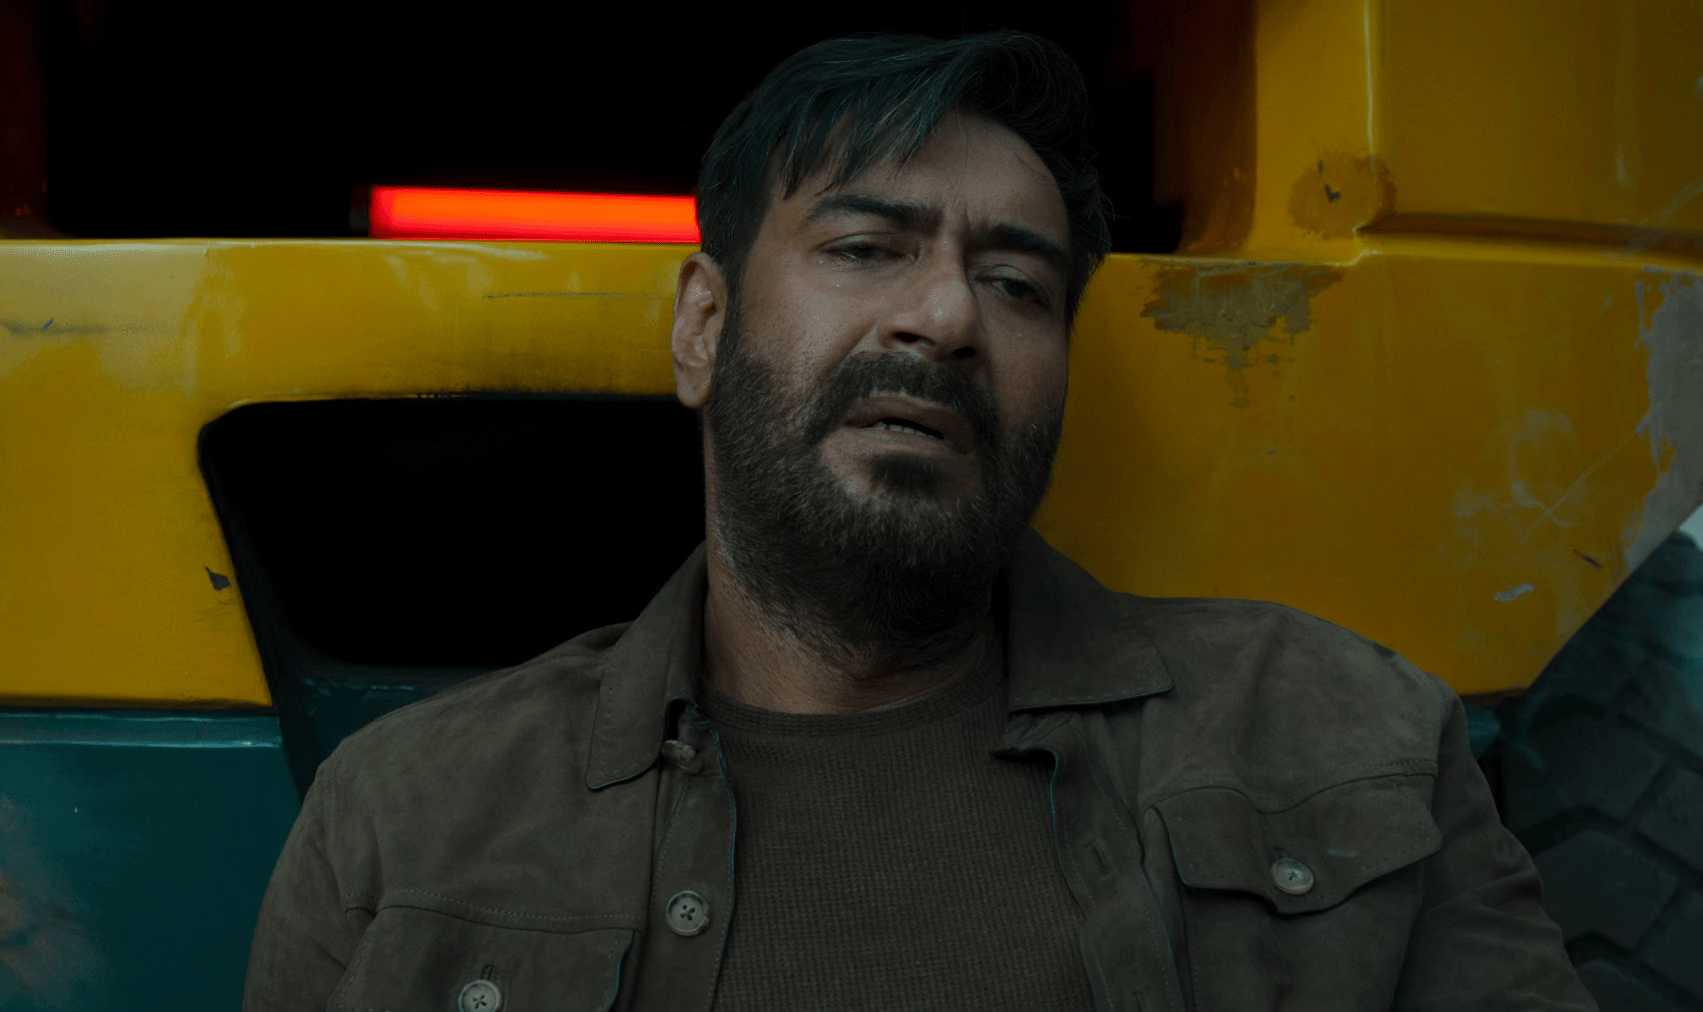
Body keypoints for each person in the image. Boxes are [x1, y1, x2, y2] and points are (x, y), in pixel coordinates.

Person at [244, 31, 1596, 1012]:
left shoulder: (1349, 741)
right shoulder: (403, 822)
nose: (945, 317)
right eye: (864, 249)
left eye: (1016, 284)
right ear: (702, 327)